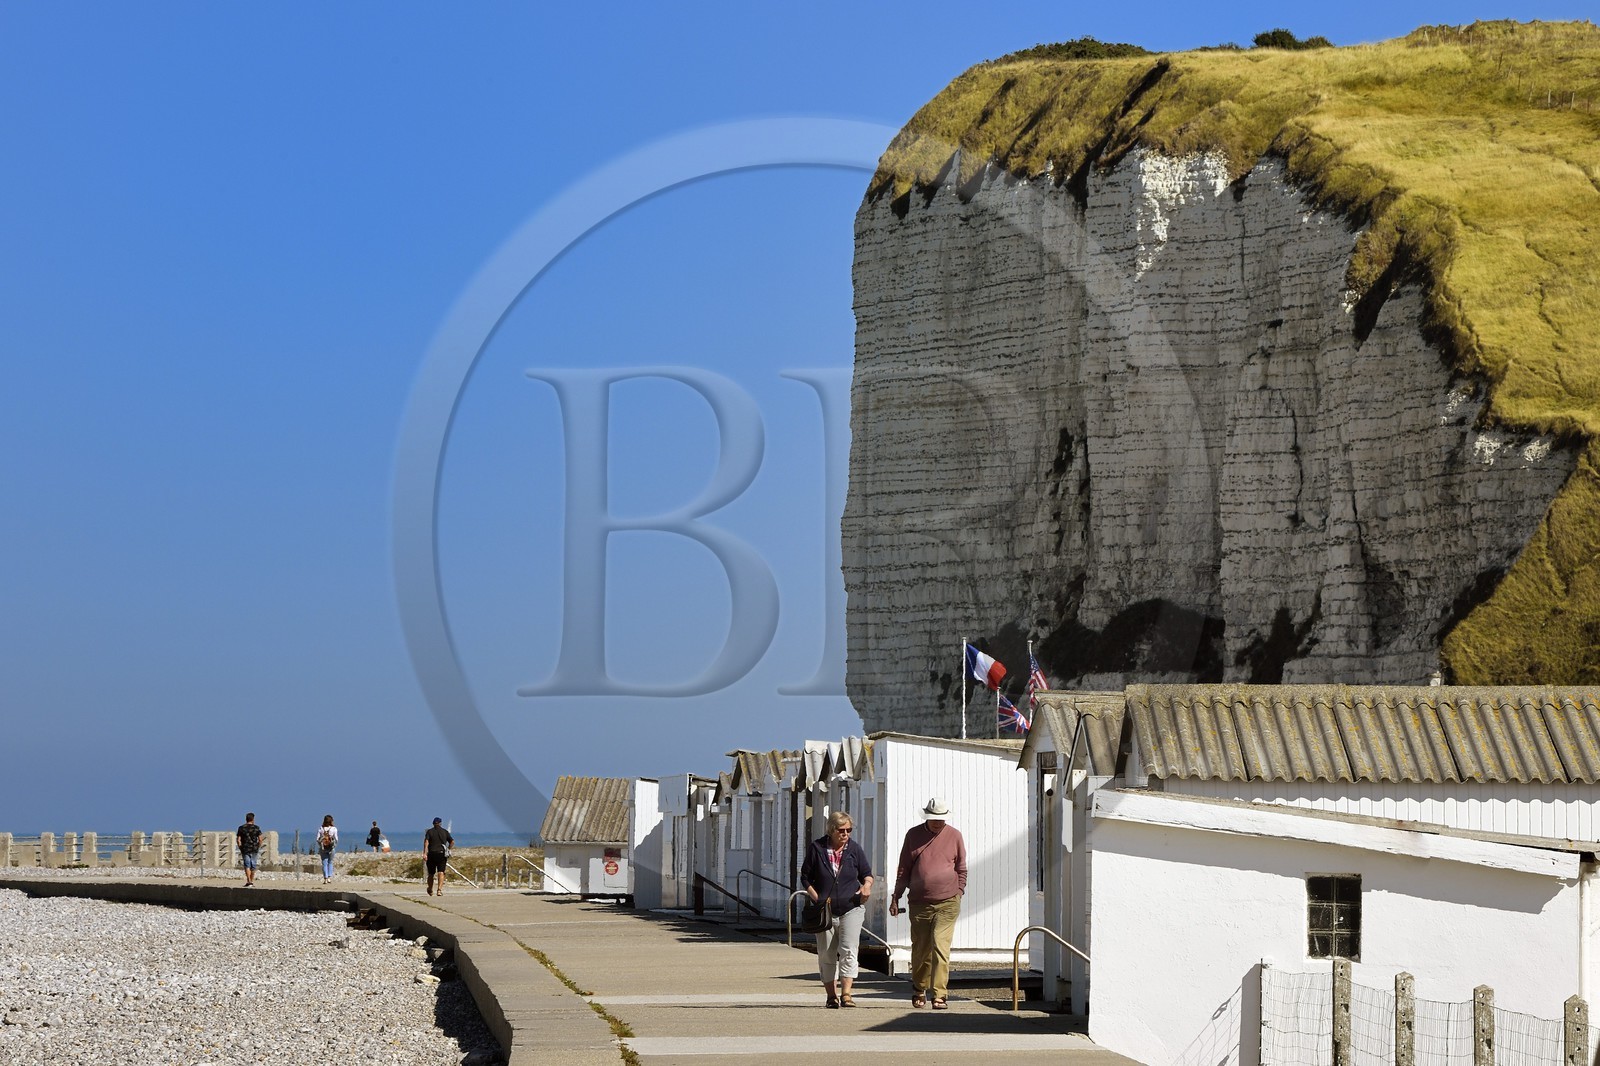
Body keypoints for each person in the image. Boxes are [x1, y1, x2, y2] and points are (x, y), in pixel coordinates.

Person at [889, 797, 967, 1010]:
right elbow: (904, 868)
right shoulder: (913, 835)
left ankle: (940, 994)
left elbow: (961, 867)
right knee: (921, 948)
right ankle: (919, 988)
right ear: (927, 817)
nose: (937, 823)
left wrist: (959, 890)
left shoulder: (955, 836)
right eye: (933, 819)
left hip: (948, 902)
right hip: (919, 902)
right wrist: (896, 896)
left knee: (940, 945)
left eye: (941, 820)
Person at [799, 810, 874, 1008]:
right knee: (826, 953)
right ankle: (831, 995)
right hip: (826, 911)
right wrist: (817, 898)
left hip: (851, 908)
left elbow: (867, 874)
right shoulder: (817, 848)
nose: (845, 834)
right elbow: (805, 877)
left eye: (849, 830)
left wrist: (866, 886)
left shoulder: (854, 849)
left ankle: (847, 994)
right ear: (832, 830)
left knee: (849, 950)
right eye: (842, 830)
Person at [424, 817, 454, 896]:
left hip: (431, 854)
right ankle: (439, 890)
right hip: (441, 854)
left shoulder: (429, 832)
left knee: (431, 873)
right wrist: (448, 849)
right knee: (441, 872)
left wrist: (424, 853)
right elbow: (452, 841)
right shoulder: (445, 832)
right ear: (440, 823)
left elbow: (426, 842)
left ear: (433, 823)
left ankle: (430, 889)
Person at [235, 812, 263, 887]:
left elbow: (238, 840)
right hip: (254, 848)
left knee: (247, 864)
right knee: (253, 865)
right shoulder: (256, 828)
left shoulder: (241, 828)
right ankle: (251, 881)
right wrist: (258, 847)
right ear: (253, 819)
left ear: (246, 819)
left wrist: (240, 847)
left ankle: (248, 880)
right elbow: (260, 839)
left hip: (245, 848)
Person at [317, 814, 338, 883]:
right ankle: (329, 877)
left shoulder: (321, 828)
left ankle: (325, 878)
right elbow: (336, 839)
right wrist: (334, 844)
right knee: (330, 862)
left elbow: (317, 839)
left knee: (324, 863)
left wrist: (321, 845)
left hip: (323, 848)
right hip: (331, 848)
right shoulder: (334, 829)